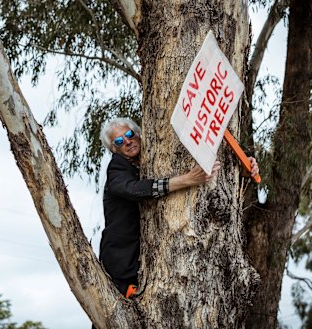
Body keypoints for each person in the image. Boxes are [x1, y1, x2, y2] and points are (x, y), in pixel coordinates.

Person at [98, 117, 258, 297]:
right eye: (119, 141)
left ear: (138, 133)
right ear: (114, 149)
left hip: (139, 264)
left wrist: (243, 169)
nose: (127, 141)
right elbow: (133, 190)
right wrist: (187, 180)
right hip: (122, 268)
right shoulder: (117, 169)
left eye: (129, 134)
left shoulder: (146, 162)